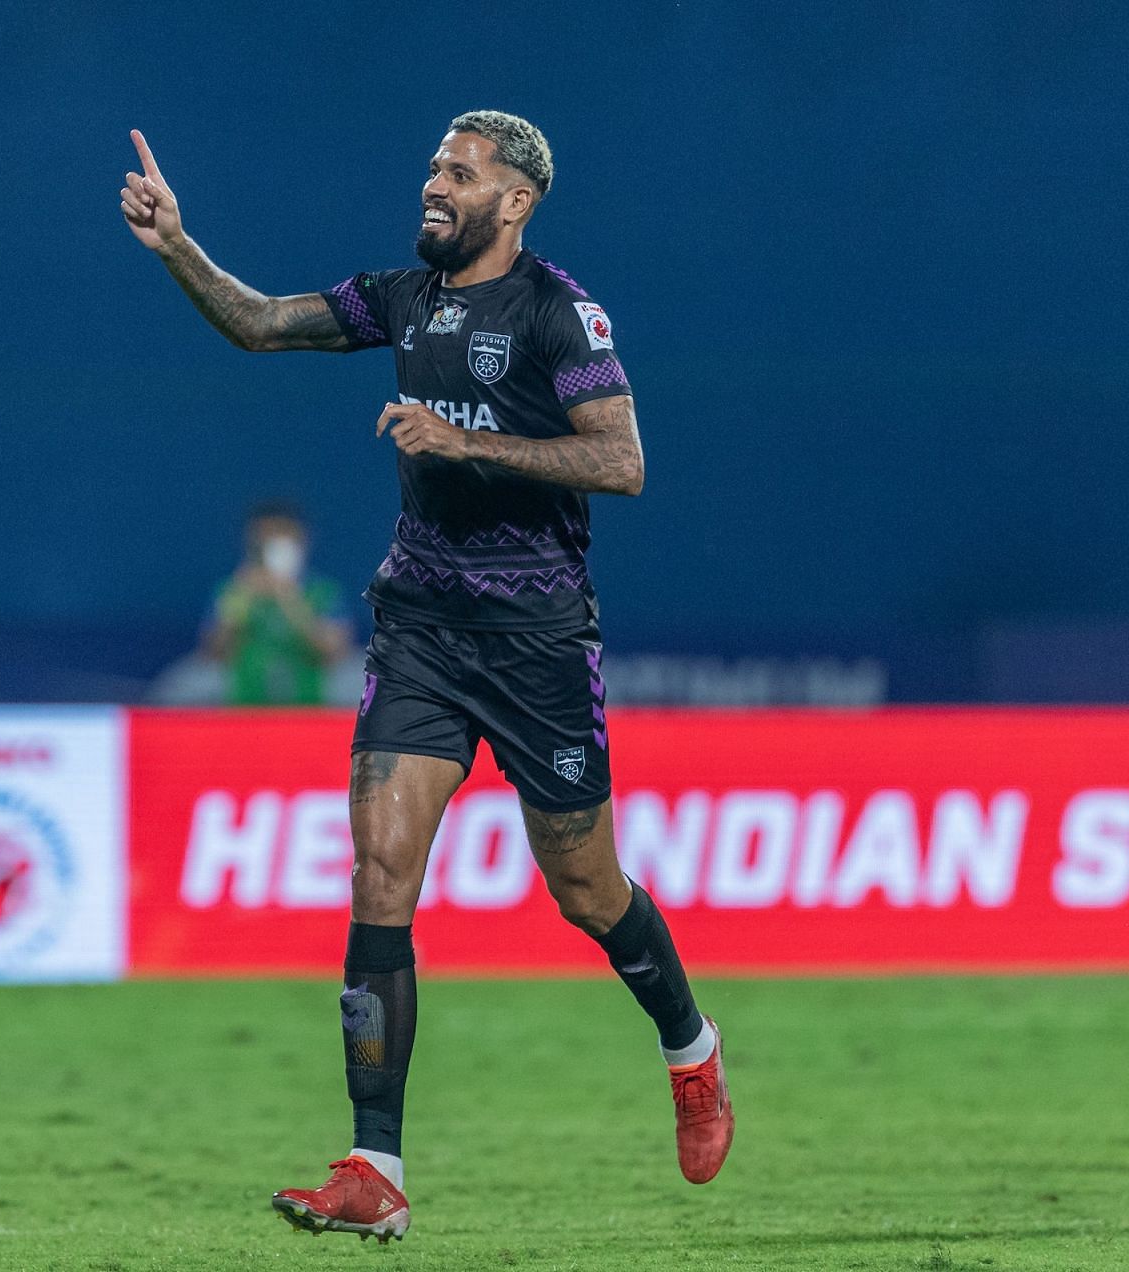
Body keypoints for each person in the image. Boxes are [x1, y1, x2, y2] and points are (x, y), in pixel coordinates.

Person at [120, 111, 733, 1243]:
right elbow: (260, 325)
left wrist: (470, 444)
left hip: (540, 642)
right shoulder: (402, 298)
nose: (435, 185)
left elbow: (623, 461)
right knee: (380, 871)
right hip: (420, 632)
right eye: (434, 169)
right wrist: (179, 248)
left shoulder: (561, 312)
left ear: (518, 201)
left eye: (461, 173)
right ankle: (374, 1167)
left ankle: (692, 1050)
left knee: (587, 891)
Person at [203, 502, 351, 706]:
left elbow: (333, 653)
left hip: (308, 714)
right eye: (263, 538)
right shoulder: (234, 590)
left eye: (280, 536)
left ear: (302, 540)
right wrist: (241, 599)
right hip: (244, 714)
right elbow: (214, 653)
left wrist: (289, 598)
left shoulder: (322, 591)